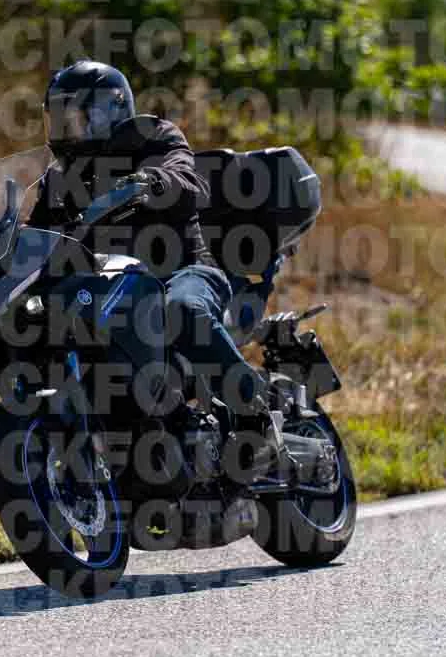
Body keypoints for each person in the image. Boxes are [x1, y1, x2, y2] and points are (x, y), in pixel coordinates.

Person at [28, 59, 271, 429]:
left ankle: (255, 414)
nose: (64, 131)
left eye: (73, 118)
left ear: (109, 110)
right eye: (57, 119)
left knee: (181, 309)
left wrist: (151, 182)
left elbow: (188, 182)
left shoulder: (153, 138)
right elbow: (37, 236)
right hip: (110, 285)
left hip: (182, 272)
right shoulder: (60, 180)